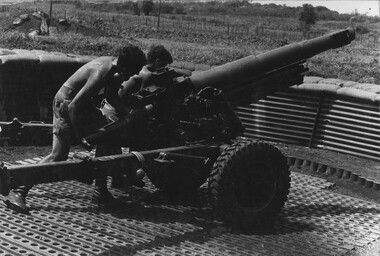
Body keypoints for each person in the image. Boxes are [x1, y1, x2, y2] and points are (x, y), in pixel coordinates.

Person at [4, 44, 147, 213]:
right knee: (58, 155)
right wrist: (81, 138)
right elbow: (73, 107)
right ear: (125, 66)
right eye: (135, 70)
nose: (136, 74)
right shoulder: (101, 72)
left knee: (108, 136)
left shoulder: (115, 73)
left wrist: (129, 112)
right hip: (65, 104)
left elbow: (111, 97)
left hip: (81, 106)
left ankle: (100, 191)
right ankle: (19, 190)